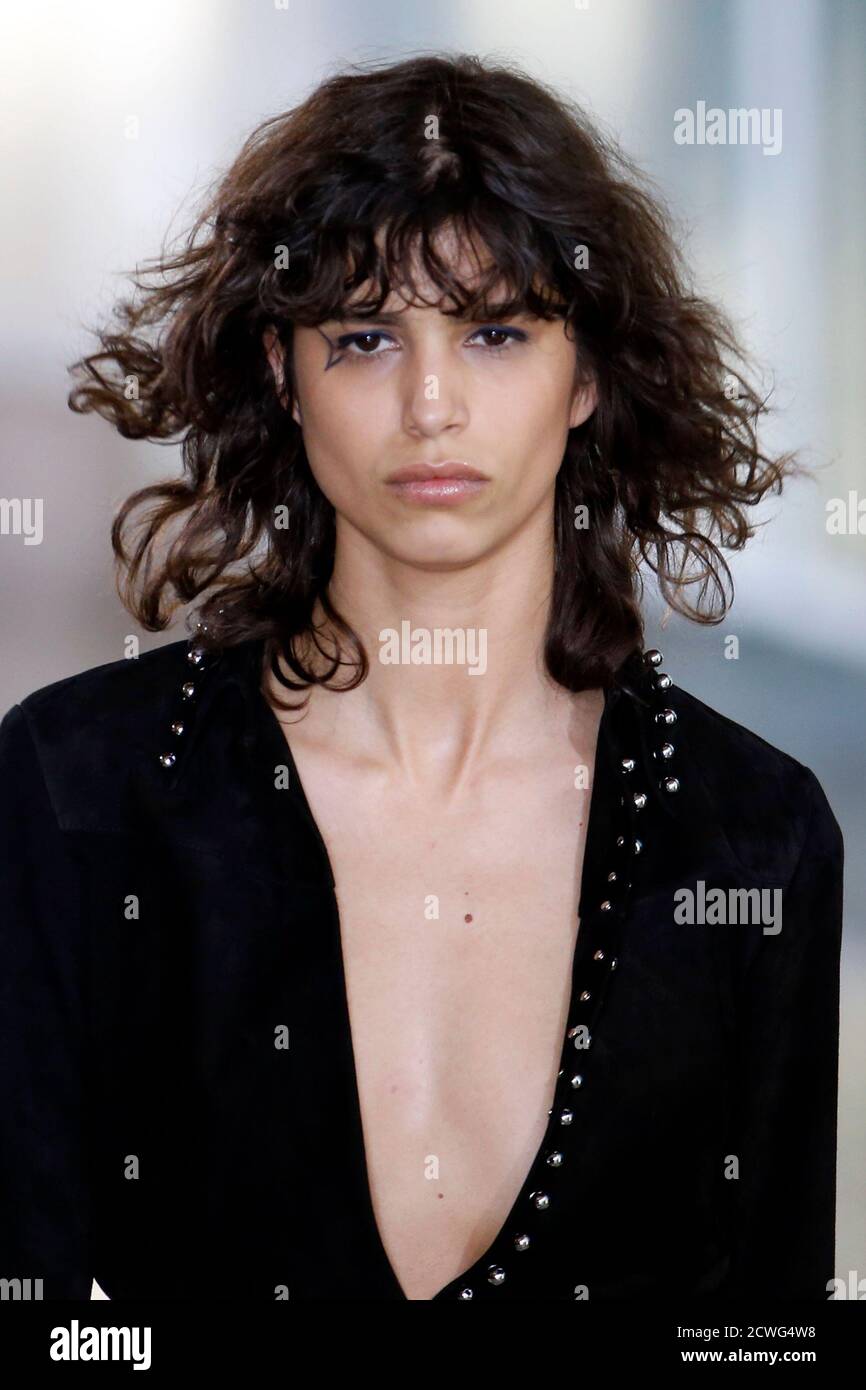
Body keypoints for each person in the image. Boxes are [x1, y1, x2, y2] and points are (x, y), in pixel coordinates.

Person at [0, 52, 843, 1302]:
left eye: (496, 330)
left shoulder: (751, 838)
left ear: (588, 375)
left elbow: (766, 1334)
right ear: (283, 373)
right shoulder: (79, 792)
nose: (431, 402)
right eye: (364, 335)